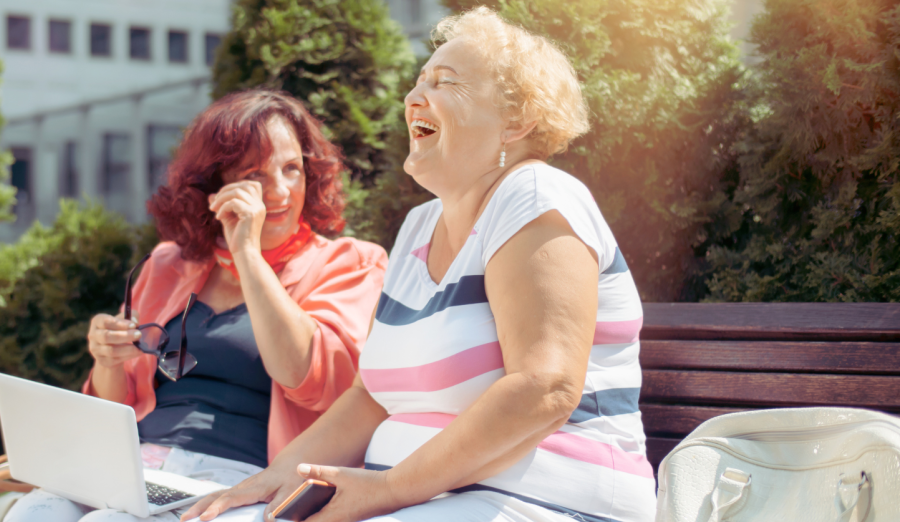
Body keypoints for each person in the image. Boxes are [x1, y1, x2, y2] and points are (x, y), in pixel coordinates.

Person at [180, 7, 656, 522]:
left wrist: (389, 489)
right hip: (429, 503)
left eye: (444, 82)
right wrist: (276, 477)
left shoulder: (535, 194)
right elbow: (370, 398)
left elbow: (545, 387)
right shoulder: (419, 226)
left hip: (548, 502)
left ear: (518, 121)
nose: (412, 97)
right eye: (418, 80)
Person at [2, 90, 388, 522]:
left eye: (292, 169)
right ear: (215, 186)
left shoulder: (350, 262)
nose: (280, 191)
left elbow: (310, 377)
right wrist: (108, 360)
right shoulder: (169, 264)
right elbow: (116, 407)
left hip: (243, 479)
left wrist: (247, 253)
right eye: (255, 174)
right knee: (31, 514)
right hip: (139, 463)